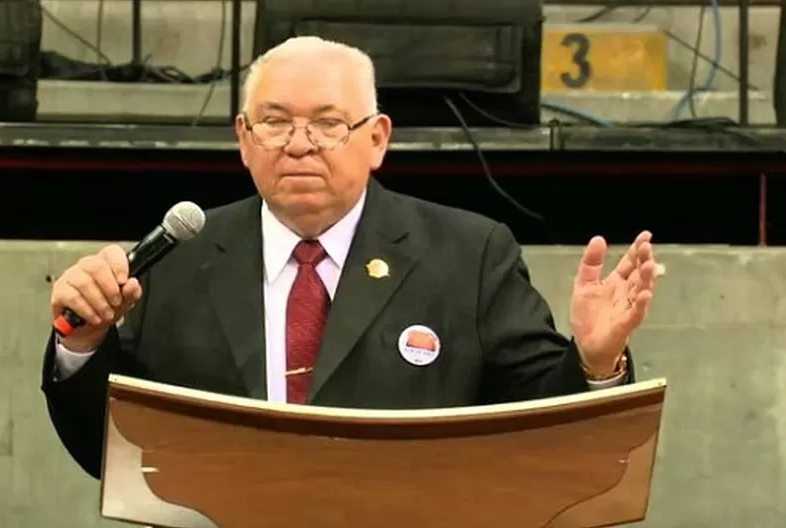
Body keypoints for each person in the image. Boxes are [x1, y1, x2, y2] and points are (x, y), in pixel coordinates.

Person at [40, 36, 659, 479]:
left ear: (377, 139)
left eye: (329, 123)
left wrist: (594, 362)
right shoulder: (176, 258)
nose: (301, 144)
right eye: (275, 122)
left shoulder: (468, 255)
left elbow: (540, 433)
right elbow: (112, 452)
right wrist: (83, 347)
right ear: (243, 139)